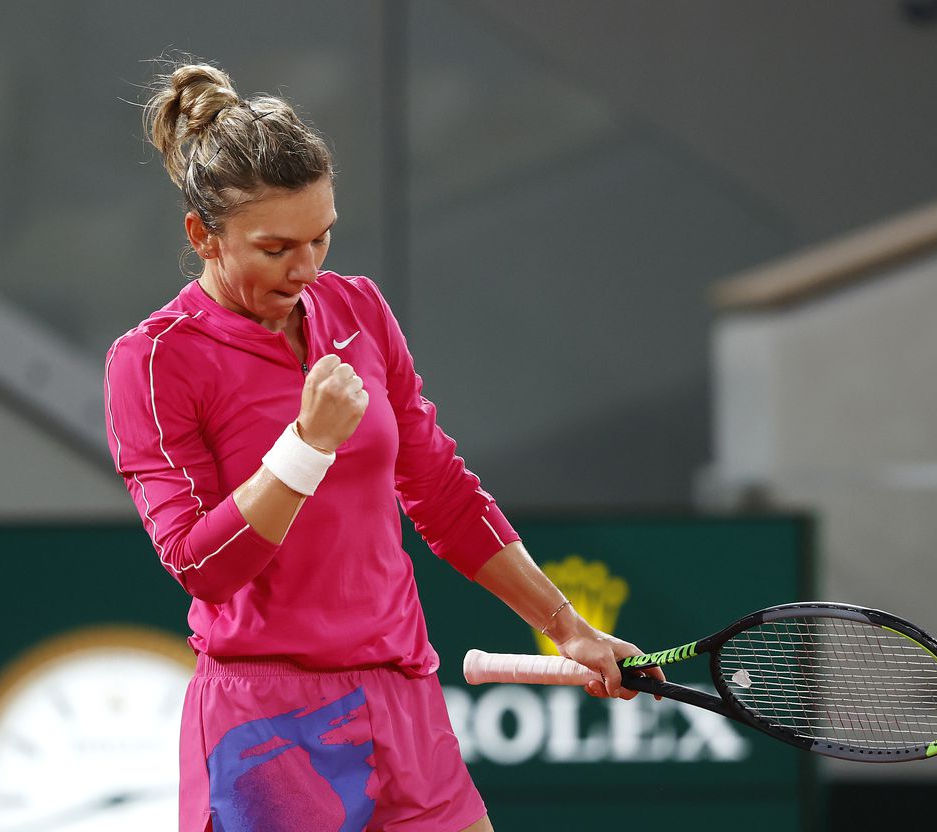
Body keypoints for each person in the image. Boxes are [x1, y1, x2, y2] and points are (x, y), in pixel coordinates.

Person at [104, 60, 663, 832]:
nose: (305, 269)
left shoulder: (358, 308)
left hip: (403, 697)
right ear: (202, 235)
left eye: (321, 237)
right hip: (267, 727)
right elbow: (202, 566)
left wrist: (568, 625)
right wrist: (305, 447)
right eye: (275, 248)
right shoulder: (154, 360)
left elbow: (442, 491)